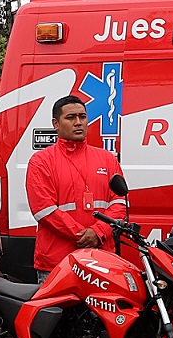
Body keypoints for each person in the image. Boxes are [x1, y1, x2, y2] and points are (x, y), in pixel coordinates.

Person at [26, 94, 127, 274]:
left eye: (82, 116)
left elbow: (120, 203)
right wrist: (84, 235)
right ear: (55, 124)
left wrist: (98, 232)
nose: (78, 122)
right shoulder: (41, 161)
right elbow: (44, 209)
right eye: (70, 117)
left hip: (101, 260)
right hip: (58, 263)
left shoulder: (107, 159)